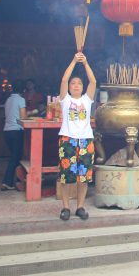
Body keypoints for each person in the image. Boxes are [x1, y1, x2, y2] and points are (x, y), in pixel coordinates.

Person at [57, 52, 96, 220]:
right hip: (68, 139)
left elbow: (93, 81)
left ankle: (80, 206)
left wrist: (86, 63)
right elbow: (64, 80)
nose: (76, 85)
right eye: (73, 83)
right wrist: (74, 61)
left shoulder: (87, 100)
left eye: (79, 83)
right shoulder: (65, 100)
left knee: (84, 176)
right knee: (66, 176)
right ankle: (65, 207)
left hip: (85, 140)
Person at [2, 80, 26, 191]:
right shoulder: (21, 100)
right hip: (16, 130)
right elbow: (23, 118)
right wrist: (31, 113)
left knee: (14, 156)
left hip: (7, 131)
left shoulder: (8, 99)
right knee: (15, 157)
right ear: (23, 90)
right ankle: (7, 182)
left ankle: (16, 181)